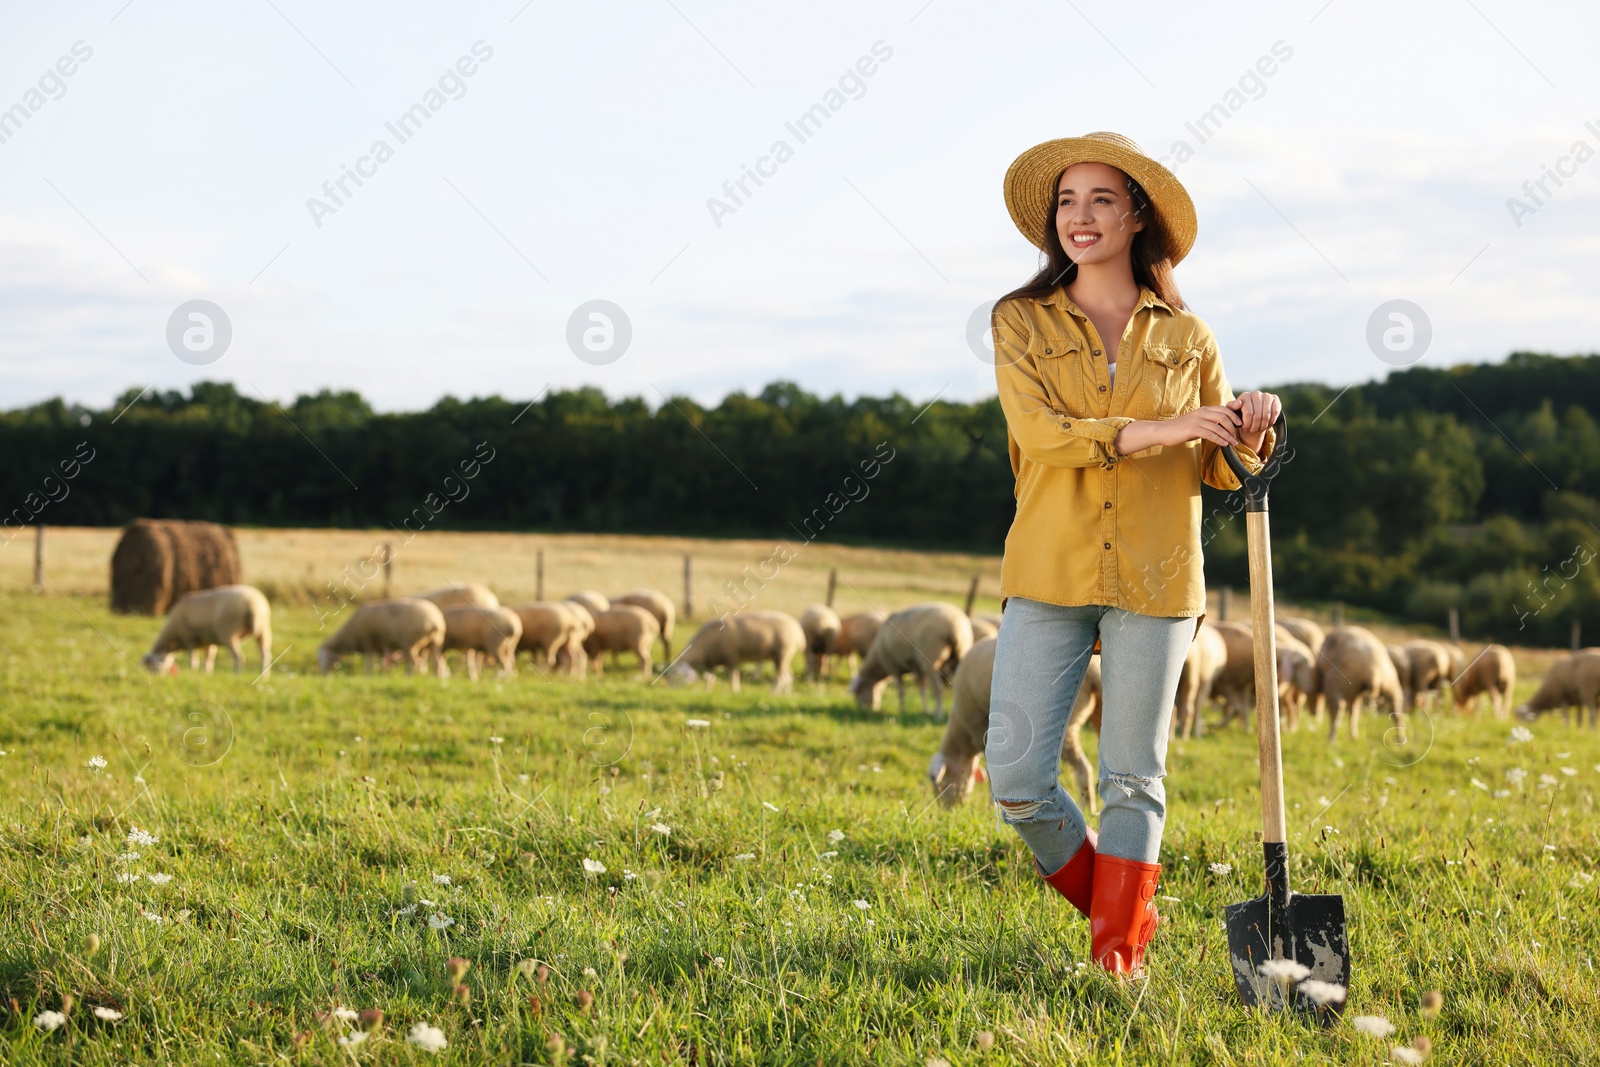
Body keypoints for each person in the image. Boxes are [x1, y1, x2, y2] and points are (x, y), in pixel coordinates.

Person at [985, 132, 1281, 976]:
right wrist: (1164, 427)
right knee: (1014, 775)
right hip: (1047, 566)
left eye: (1101, 200)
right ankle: (1130, 905)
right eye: (1066, 202)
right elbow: (1041, 435)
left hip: (1159, 574)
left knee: (1132, 779)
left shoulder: (1189, 335)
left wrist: (1245, 430)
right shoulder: (1020, 319)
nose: (1079, 217)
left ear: (1137, 214)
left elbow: (1220, 464)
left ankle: (1118, 959)